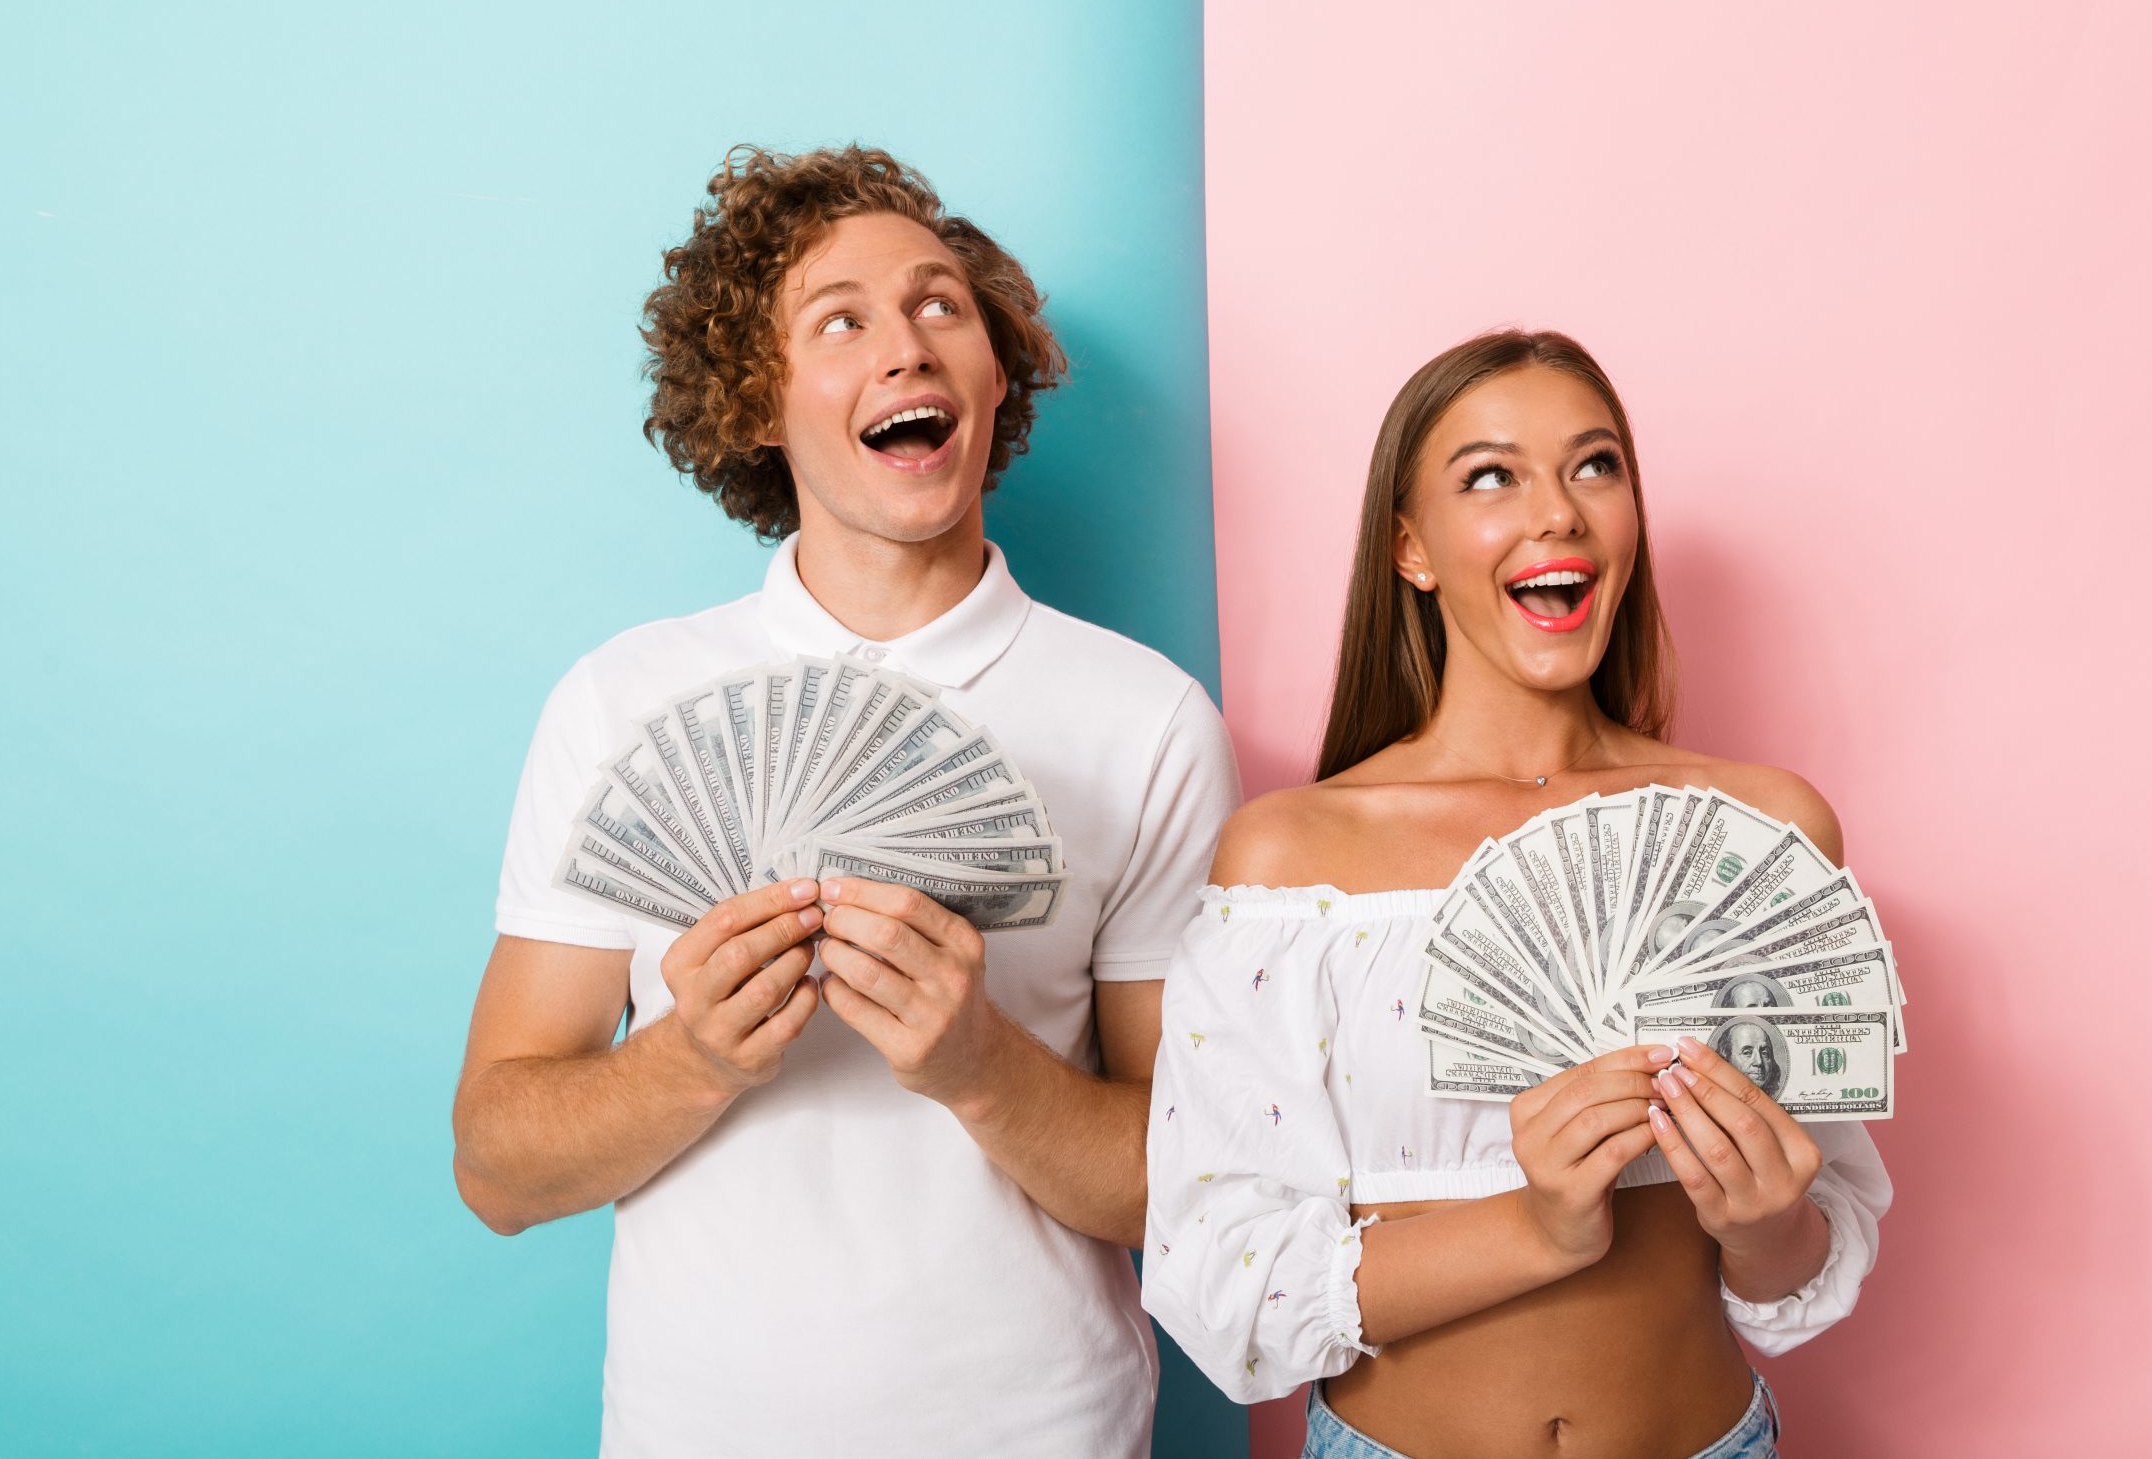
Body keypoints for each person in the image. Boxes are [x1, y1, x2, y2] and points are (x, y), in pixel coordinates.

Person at [454, 145, 1240, 1457]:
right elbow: (496, 1166)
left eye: (943, 305)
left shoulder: (1146, 719)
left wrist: (979, 1065)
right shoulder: (620, 700)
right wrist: (691, 1054)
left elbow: (1196, 1180)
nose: (907, 346)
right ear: (761, 402)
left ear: (997, 373)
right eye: (842, 318)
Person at [1142, 331, 1891, 1459]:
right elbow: (1230, 1281)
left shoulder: (1764, 833)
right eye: (1491, 476)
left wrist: (1767, 1221)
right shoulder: (1290, 861)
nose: (1559, 513)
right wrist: (1538, 1226)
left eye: (1594, 466)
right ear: (1411, 548)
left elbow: (1800, 1261)